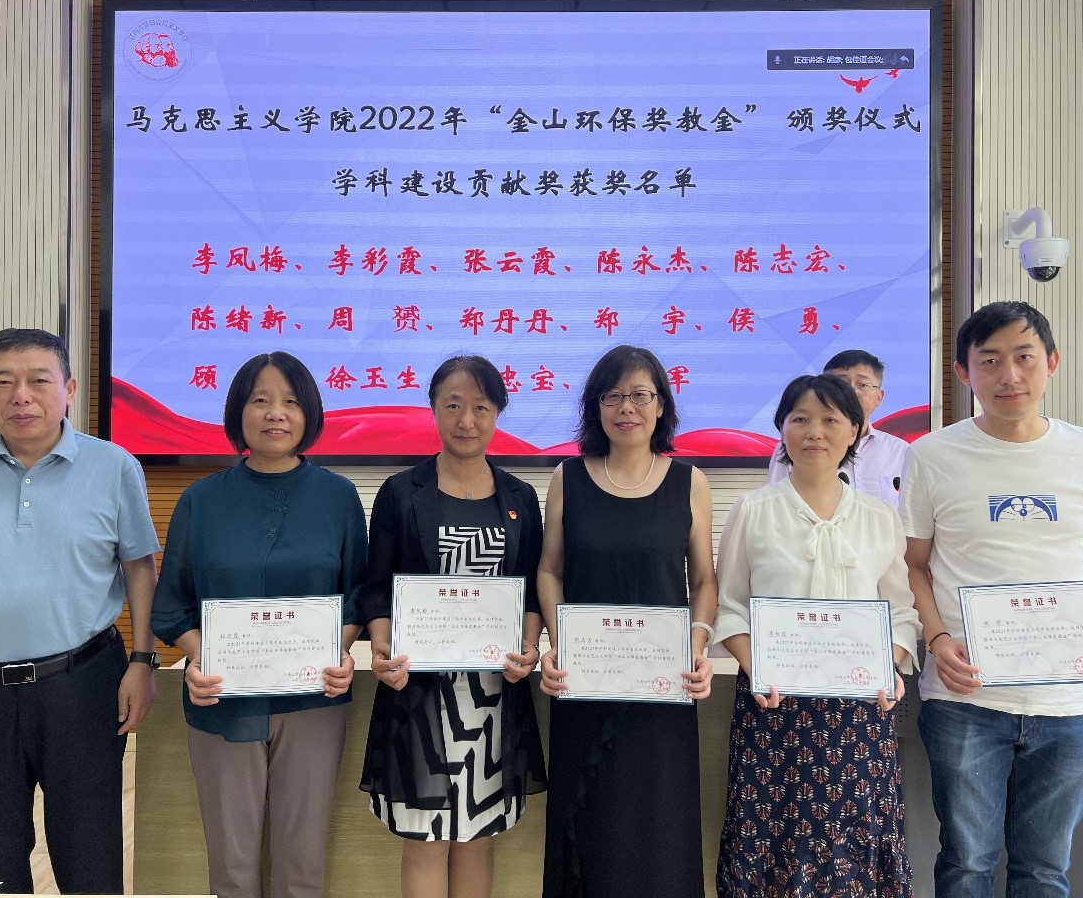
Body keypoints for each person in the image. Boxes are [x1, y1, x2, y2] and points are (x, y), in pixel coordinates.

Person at [900, 301, 1083, 898]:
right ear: (964, 372)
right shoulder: (932, 454)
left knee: (1045, 869)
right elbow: (912, 564)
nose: (1009, 375)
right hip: (966, 697)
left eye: (1024, 357)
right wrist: (937, 639)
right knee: (967, 863)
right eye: (990, 361)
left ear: (1051, 362)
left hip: (1068, 700)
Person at [0, 328, 160, 895]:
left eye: (39, 380)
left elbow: (139, 567)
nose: (21, 395)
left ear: (68, 390)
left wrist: (142, 662)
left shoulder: (114, 466)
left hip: (82, 685)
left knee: (89, 857)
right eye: (3, 382)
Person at [151, 351, 367, 898]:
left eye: (290, 401)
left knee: (302, 863)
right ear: (237, 413)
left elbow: (358, 595)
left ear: (309, 413)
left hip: (313, 698)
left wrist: (340, 651)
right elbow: (171, 606)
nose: (276, 413)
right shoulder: (201, 500)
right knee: (233, 865)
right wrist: (201, 656)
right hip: (223, 697)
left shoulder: (338, 496)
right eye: (260, 400)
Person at [715, 373, 920, 898]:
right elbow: (730, 606)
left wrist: (891, 667)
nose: (815, 432)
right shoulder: (752, 510)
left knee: (854, 840)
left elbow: (901, 612)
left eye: (831, 420)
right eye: (800, 419)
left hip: (859, 711)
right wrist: (758, 669)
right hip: (773, 708)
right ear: (781, 428)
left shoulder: (879, 517)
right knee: (772, 838)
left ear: (855, 430)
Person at [358, 355, 546, 898]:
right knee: (425, 837)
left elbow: (532, 588)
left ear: (498, 413)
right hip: (419, 691)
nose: (467, 421)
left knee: (478, 836)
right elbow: (377, 587)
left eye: (480, 408)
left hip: (493, 693)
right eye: (453, 406)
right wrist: (382, 647)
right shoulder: (400, 492)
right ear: (434, 409)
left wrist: (529, 646)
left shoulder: (519, 497)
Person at [538, 344, 716, 898]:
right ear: (596, 407)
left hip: (662, 689)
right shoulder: (568, 477)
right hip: (584, 684)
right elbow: (549, 571)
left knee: (658, 828)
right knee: (588, 826)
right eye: (612, 396)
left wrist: (697, 645)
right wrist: (560, 642)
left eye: (640, 395)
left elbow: (704, 582)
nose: (626, 408)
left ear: (661, 405)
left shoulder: (690, 481)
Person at [768, 349, 910, 507]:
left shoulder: (900, 451)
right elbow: (775, 504)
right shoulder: (797, 447)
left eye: (862, 385)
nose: (851, 391)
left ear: (879, 397)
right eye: (841, 384)